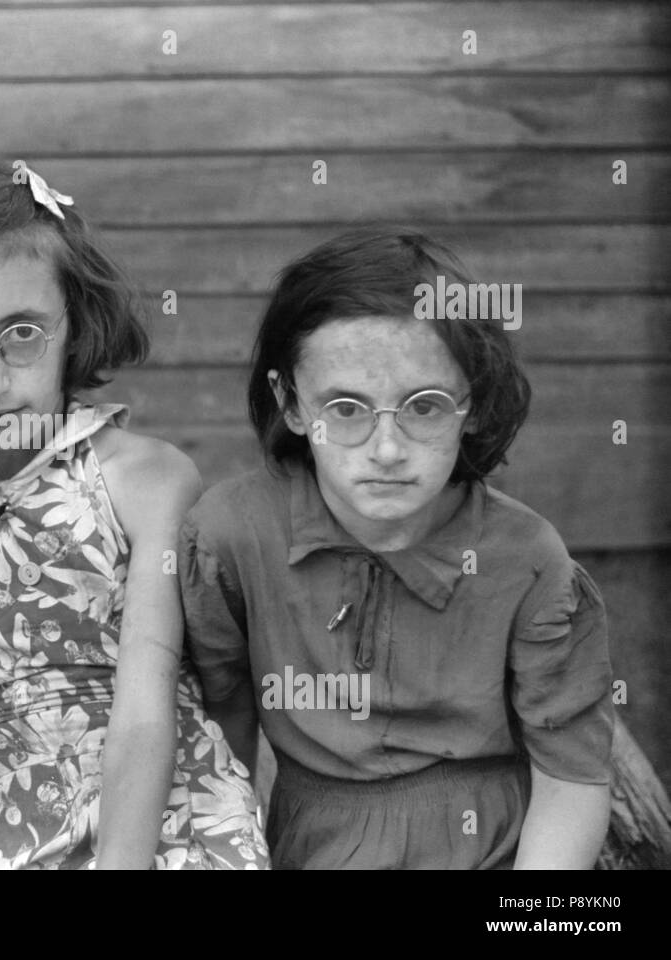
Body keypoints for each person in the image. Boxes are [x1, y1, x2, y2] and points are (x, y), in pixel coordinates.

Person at [0, 157, 268, 869]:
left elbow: (146, 710)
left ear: (75, 321)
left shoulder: (146, 480)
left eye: (21, 334)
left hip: (164, 821)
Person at [180, 228, 613, 869]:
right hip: (308, 849)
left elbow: (571, 778)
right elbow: (222, 731)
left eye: (425, 406)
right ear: (290, 404)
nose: (387, 449)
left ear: (473, 404)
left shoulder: (527, 561)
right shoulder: (232, 537)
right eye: (346, 408)